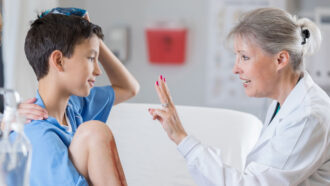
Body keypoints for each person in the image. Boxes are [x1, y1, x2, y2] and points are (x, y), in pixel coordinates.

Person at [148, 8, 330, 185]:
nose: (235, 69)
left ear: (280, 60)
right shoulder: (284, 102)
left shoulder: (308, 116)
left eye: (244, 57)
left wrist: (182, 138)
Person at [19, 10, 139, 186]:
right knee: (94, 132)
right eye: (91, 58)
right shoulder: (38, 135)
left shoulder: (74, 108)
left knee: (93, 132)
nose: (98, 71)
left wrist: (94, 40)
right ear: (59, 61)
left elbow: (128, 88)